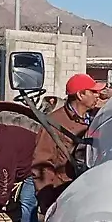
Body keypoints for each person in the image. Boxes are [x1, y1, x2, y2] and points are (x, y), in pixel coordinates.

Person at [30, 74, 103, 209]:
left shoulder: (98, 118)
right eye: (93, 92)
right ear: (80, 95)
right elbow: (42, 163)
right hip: (65, 195)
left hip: (93, 190)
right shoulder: (53, 123)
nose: (97, 95)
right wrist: (47, 203)